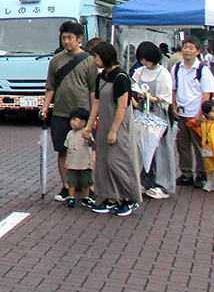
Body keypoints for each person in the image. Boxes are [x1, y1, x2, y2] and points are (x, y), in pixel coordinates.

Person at [39, 21, 98, 202]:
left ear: (79, 39)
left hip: (83, 114)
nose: (66, 41)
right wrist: (45, 106)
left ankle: (89, 187)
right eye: (63, 38)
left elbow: (93, 91)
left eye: (70, 38)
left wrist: (93, 117)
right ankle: (66, 186)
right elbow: (50, 87)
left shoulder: (89, 61)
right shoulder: (56, 60)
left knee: (87, 151)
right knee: (62, 150)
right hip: (61, 113)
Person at [87, 40, 141, 216]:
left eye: (96, 57)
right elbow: (96, 102)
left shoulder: (121, 77)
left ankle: (129, 198)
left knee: (119, 161)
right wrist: (89, 126)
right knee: (103, 161)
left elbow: (122, 106)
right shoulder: (101, 76)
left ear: (104, 57)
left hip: (119, 126)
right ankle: (111, 198)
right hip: (104, 124)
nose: (94, 60)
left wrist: (114, 130)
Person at [130, 41, 176, 199]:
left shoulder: (163, 73)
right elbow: (133, 87)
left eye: (147, 59)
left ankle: (162, 184)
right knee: (141, 147)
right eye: (142, 59)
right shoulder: (139, 72)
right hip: (140, 114)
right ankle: (144, 180)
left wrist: (151, 98)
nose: (144, 62)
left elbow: (166, 98)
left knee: (160, 149)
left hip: (157, 115)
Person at [171, 36, 214, 188]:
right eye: (185, 47)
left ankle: (202, 173)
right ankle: (186, 173)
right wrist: (174, 106)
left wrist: (201, 114)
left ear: (197, 51)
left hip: (196, 113)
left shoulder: (203, 70)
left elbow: (206, 93)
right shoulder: (177, 68)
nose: (187, 50)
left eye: (191, 48)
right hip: (182, 112)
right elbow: (173, 88)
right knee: (182, 144)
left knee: (199, 145)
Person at [63, 107, 94, 209]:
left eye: (75, 120)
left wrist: (88, 138)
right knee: (71, 181)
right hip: (73, 162)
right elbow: (68, 149)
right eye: (71, 119)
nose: (72, 122)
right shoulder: (70, 134)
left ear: (83, 123)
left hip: (85, 163)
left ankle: (86, 197)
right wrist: (67, 160)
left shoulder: (86, 133)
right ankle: (71, 197)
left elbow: (91, 144)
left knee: (86, 181)